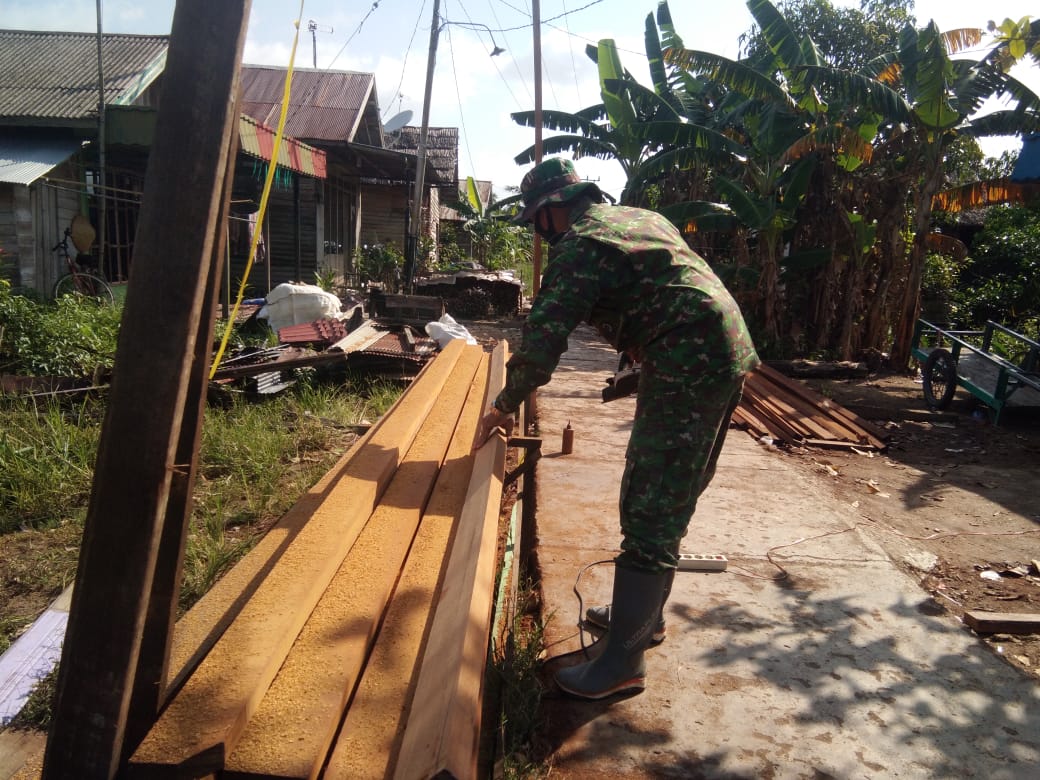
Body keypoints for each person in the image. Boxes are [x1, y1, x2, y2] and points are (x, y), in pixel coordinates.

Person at [473, 157, 759, 701]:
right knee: (673, 492)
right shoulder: (637, 218)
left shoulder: (579, 245)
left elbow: (543, 341)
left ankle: (624, 663)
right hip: (723, 347)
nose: (540, 231)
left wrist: (504, 405)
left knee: (651, 502)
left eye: (538, 220)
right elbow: (661, 285)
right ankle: (641, 620)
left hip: (688, 359)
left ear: (554, 212)